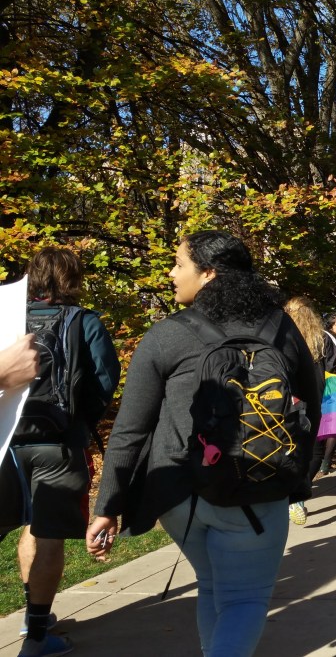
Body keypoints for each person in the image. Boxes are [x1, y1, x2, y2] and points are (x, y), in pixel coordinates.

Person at [87, 231, 321, 657]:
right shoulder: (280, 328)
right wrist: (298, 474)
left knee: (214, 586)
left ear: (209, 274)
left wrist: (107, 507)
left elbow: (130, 429)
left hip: (180, 493)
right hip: (258, 486)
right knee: (243, 599)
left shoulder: (167, 335)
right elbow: (311, 401)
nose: (172, 273)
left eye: (179, 264)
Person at [3, 248, 119, 657]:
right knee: (47, 532)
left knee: (23, 527)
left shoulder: (7, 319)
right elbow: (104, 380)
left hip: (7, 442)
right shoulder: (83, 320)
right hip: (59, 442)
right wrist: (82, 425)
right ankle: (37, 636)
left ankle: (29, 617)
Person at [282, 296, 332, 526]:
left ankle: (288, 492)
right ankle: (298, 494)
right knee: (315, 450)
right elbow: (334, 368)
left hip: (287, 399)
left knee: (290, 446)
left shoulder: (281, 336)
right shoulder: (322, 339)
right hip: (316, 398)